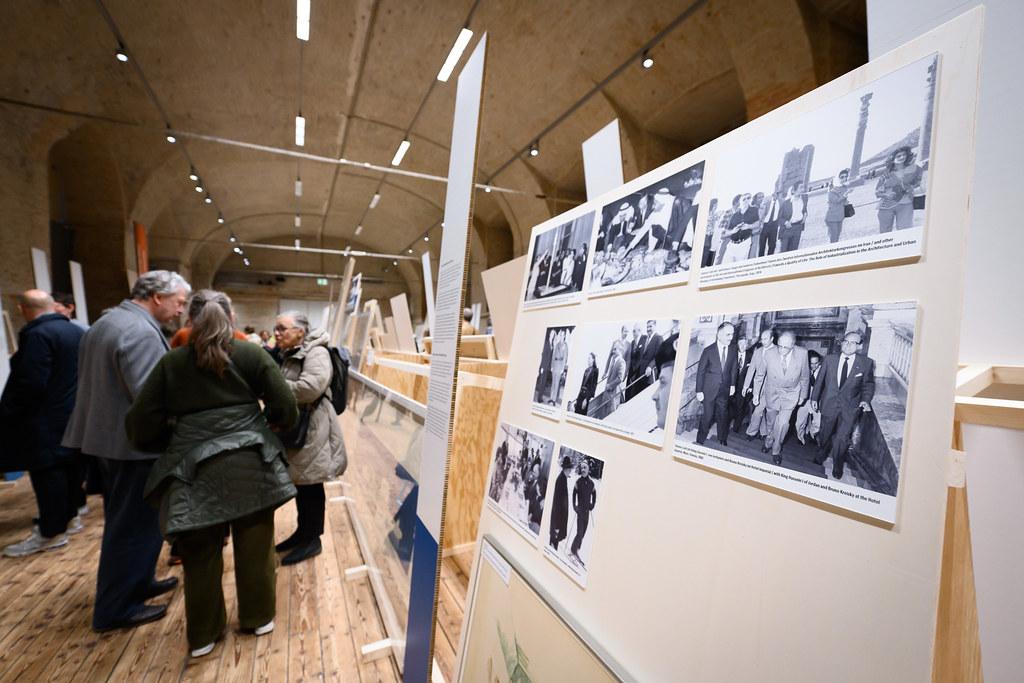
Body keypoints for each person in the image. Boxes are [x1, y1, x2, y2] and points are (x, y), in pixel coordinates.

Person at [125, 290, 298, 658]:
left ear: (190, 319)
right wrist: (269, 424)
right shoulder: (250, 354)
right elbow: (285, 404)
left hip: (192, 466)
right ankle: (258, 617)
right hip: (251, 460)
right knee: (255, 545)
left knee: (200, 554)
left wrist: (172, 440)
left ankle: (203, 635)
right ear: (230, 317)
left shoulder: (172, 362)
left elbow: (140, 421)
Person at [63, 270, 190, 632]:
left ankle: (139, 583)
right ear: (157, 297)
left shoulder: (108, 322)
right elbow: (150, 398)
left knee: (135, 524)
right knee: (132, 527)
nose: (180, 310)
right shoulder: (138, 331)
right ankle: (116, 608)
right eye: (178, 302)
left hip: (110, 440)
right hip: (133, 446)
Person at [0, 290, 85, 557]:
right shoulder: (75, 332)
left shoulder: (38, 335)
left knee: (48, 473)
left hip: (45, 418)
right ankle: (70, 518)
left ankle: (51, 532)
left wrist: (9, 412)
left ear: (23, 309)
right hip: (72, 412)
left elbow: (30, 382)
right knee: (69, 469)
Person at [273, 312, 348, 565]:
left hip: (313, 427)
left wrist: (274, 388)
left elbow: (310, 388)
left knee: (311, 484)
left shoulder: (316, 353)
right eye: (276, 328)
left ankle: (312, 540)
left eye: (282, 328)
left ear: (300, 332)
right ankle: (303, 533)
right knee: (303, 484)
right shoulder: (293, 352)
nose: (277, 333)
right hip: (301, 426)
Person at [811, 331, 875, 479]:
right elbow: (820, 381)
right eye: (846, 341)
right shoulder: (829, 359)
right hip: (829, 404)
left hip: (850, 408)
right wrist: (814, 398)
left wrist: (865, 400)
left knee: (842, 438)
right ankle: (821, 455)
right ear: (842, 343)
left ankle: (837, 464)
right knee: (824, 434)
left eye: (853, 343)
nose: (848, 345)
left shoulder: (866, 363)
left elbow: (868, 384)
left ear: (859, 346)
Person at [751, 331, 809, 465]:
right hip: (772, 392)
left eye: (785, 347)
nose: (781, 350)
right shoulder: (769, 353)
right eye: (780, 346)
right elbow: (760, 375)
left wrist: (803, 395)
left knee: (782, 423)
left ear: (793, 345)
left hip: (791, 394)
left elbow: (805, 377)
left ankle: (776, 450)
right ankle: (769, 439)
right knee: (771, 423)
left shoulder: (802, 354)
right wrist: (756, 393)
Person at [695, 322, 738, 446]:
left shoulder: (733, 349)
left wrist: (733, 385)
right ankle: (700, 439)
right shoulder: (708, 351)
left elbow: (734, 368)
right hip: (709, 390)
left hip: (724, 389)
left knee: (723, 415)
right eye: (728, 334)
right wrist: (699, 390)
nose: (731, 337)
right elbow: (701, 371)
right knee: (707, 417)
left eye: (732, 334)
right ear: (719, 334)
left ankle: (722, 438)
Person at [875, 146, 924, 232]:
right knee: (885, 233)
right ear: (892, 158)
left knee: (905, 231)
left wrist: (911, 188)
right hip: (886, 206)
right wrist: (886, 195)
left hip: (905, 204)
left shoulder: (915, 169)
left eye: (904, 154)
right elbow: (877, 192)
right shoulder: (886, 173)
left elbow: (919, 184)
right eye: (898, 156)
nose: (902, 157)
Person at [743, 328, 776, 441]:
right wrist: (746, 386)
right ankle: (763, 432)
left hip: (772, 388)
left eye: (765, 339)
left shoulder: (778, 351)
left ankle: (751, 433)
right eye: (762, 339)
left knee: (758, 410)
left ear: (772, 339)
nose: (763, 341)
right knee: (760, 410)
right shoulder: (757, 351)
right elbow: (751, 369)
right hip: (758, 387)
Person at [570, 459, 596, 565]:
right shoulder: (578, 482)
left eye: (585, 468)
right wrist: (574, 506)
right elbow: (573, 494)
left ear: (588, 469)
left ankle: (576, 549)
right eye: (582, 468)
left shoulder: (591, 483)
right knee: (579, 532)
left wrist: (592, 505)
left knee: (583, 533)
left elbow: (594, 494)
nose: (583, 469)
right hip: (580, 511)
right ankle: (573, 550)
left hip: (587, 512)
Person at [795, 352, 823, 444]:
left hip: (817, 400)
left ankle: (812, 434)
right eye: (811, 363)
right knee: (800, 421)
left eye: (816, 363)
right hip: (805, 399)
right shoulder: (803, 371)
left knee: (818, 422)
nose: (814, 366)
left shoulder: (823, 371)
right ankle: (800, 437)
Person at [596, 341, 626, 419]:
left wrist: (610, 385)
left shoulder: (621, 362)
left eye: (615, 349)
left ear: (620, 350)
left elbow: (620, 378)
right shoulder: (613, 361)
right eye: (613, 349)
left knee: (610, 415)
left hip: (613, 393)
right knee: (603, 414)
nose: (613, 351)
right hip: (607, 393)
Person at [548, 456, 572, 551]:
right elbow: (557, 504)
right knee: (553, 545)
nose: (570, 471)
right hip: (557, 521)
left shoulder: (563, 479)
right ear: (565, 469)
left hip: (559, 520)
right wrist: (557, 526)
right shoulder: (560, 480)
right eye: (569, 469)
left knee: (554, 542)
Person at [730, 337, 754, 433]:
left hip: (743, 387)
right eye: (741, 344)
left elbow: (753, 372)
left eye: (745, 344)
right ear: (738, 344)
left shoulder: (751, 356)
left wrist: (750, 386)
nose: (743, 346)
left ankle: (735, 428)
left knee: (740, 407)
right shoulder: (732, 354)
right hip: (730, 385)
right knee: (729, 406)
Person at [825, 169, 851, 243]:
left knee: (837, 235)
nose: (844, 178)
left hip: (840, 216)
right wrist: (845, 195)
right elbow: (836, 200)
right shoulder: (832, 190)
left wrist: (847, 203)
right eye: (842, 177)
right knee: (834, 237)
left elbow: (843, 201)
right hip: (832, 218)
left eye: (846, 176)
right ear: (837, 178)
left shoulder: (844, 188)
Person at [777, 184, 805, 253]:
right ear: (793, 191)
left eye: (803, 188)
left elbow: (804, 210)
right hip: (787, 229)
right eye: (800, 188)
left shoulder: (804, 200)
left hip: (798, 228)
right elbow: (779, 218)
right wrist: (786, 222)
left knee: (794, 251)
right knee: (784, 251)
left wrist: (805, 215)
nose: (803, 190)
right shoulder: (786, 203)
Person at [549, 330, 568, 404]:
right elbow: (553, 355)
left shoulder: (565, 346)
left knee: (557, 383)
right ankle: (551, 398)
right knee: (553, 382)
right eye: (560, 335)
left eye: (563, 335)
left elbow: (565, 358)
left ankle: (554, 400)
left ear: (564, 336)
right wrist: (551, 366)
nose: (561, 336)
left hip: (560, 366)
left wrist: (562, 368)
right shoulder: (557, 344)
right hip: (554, 365)